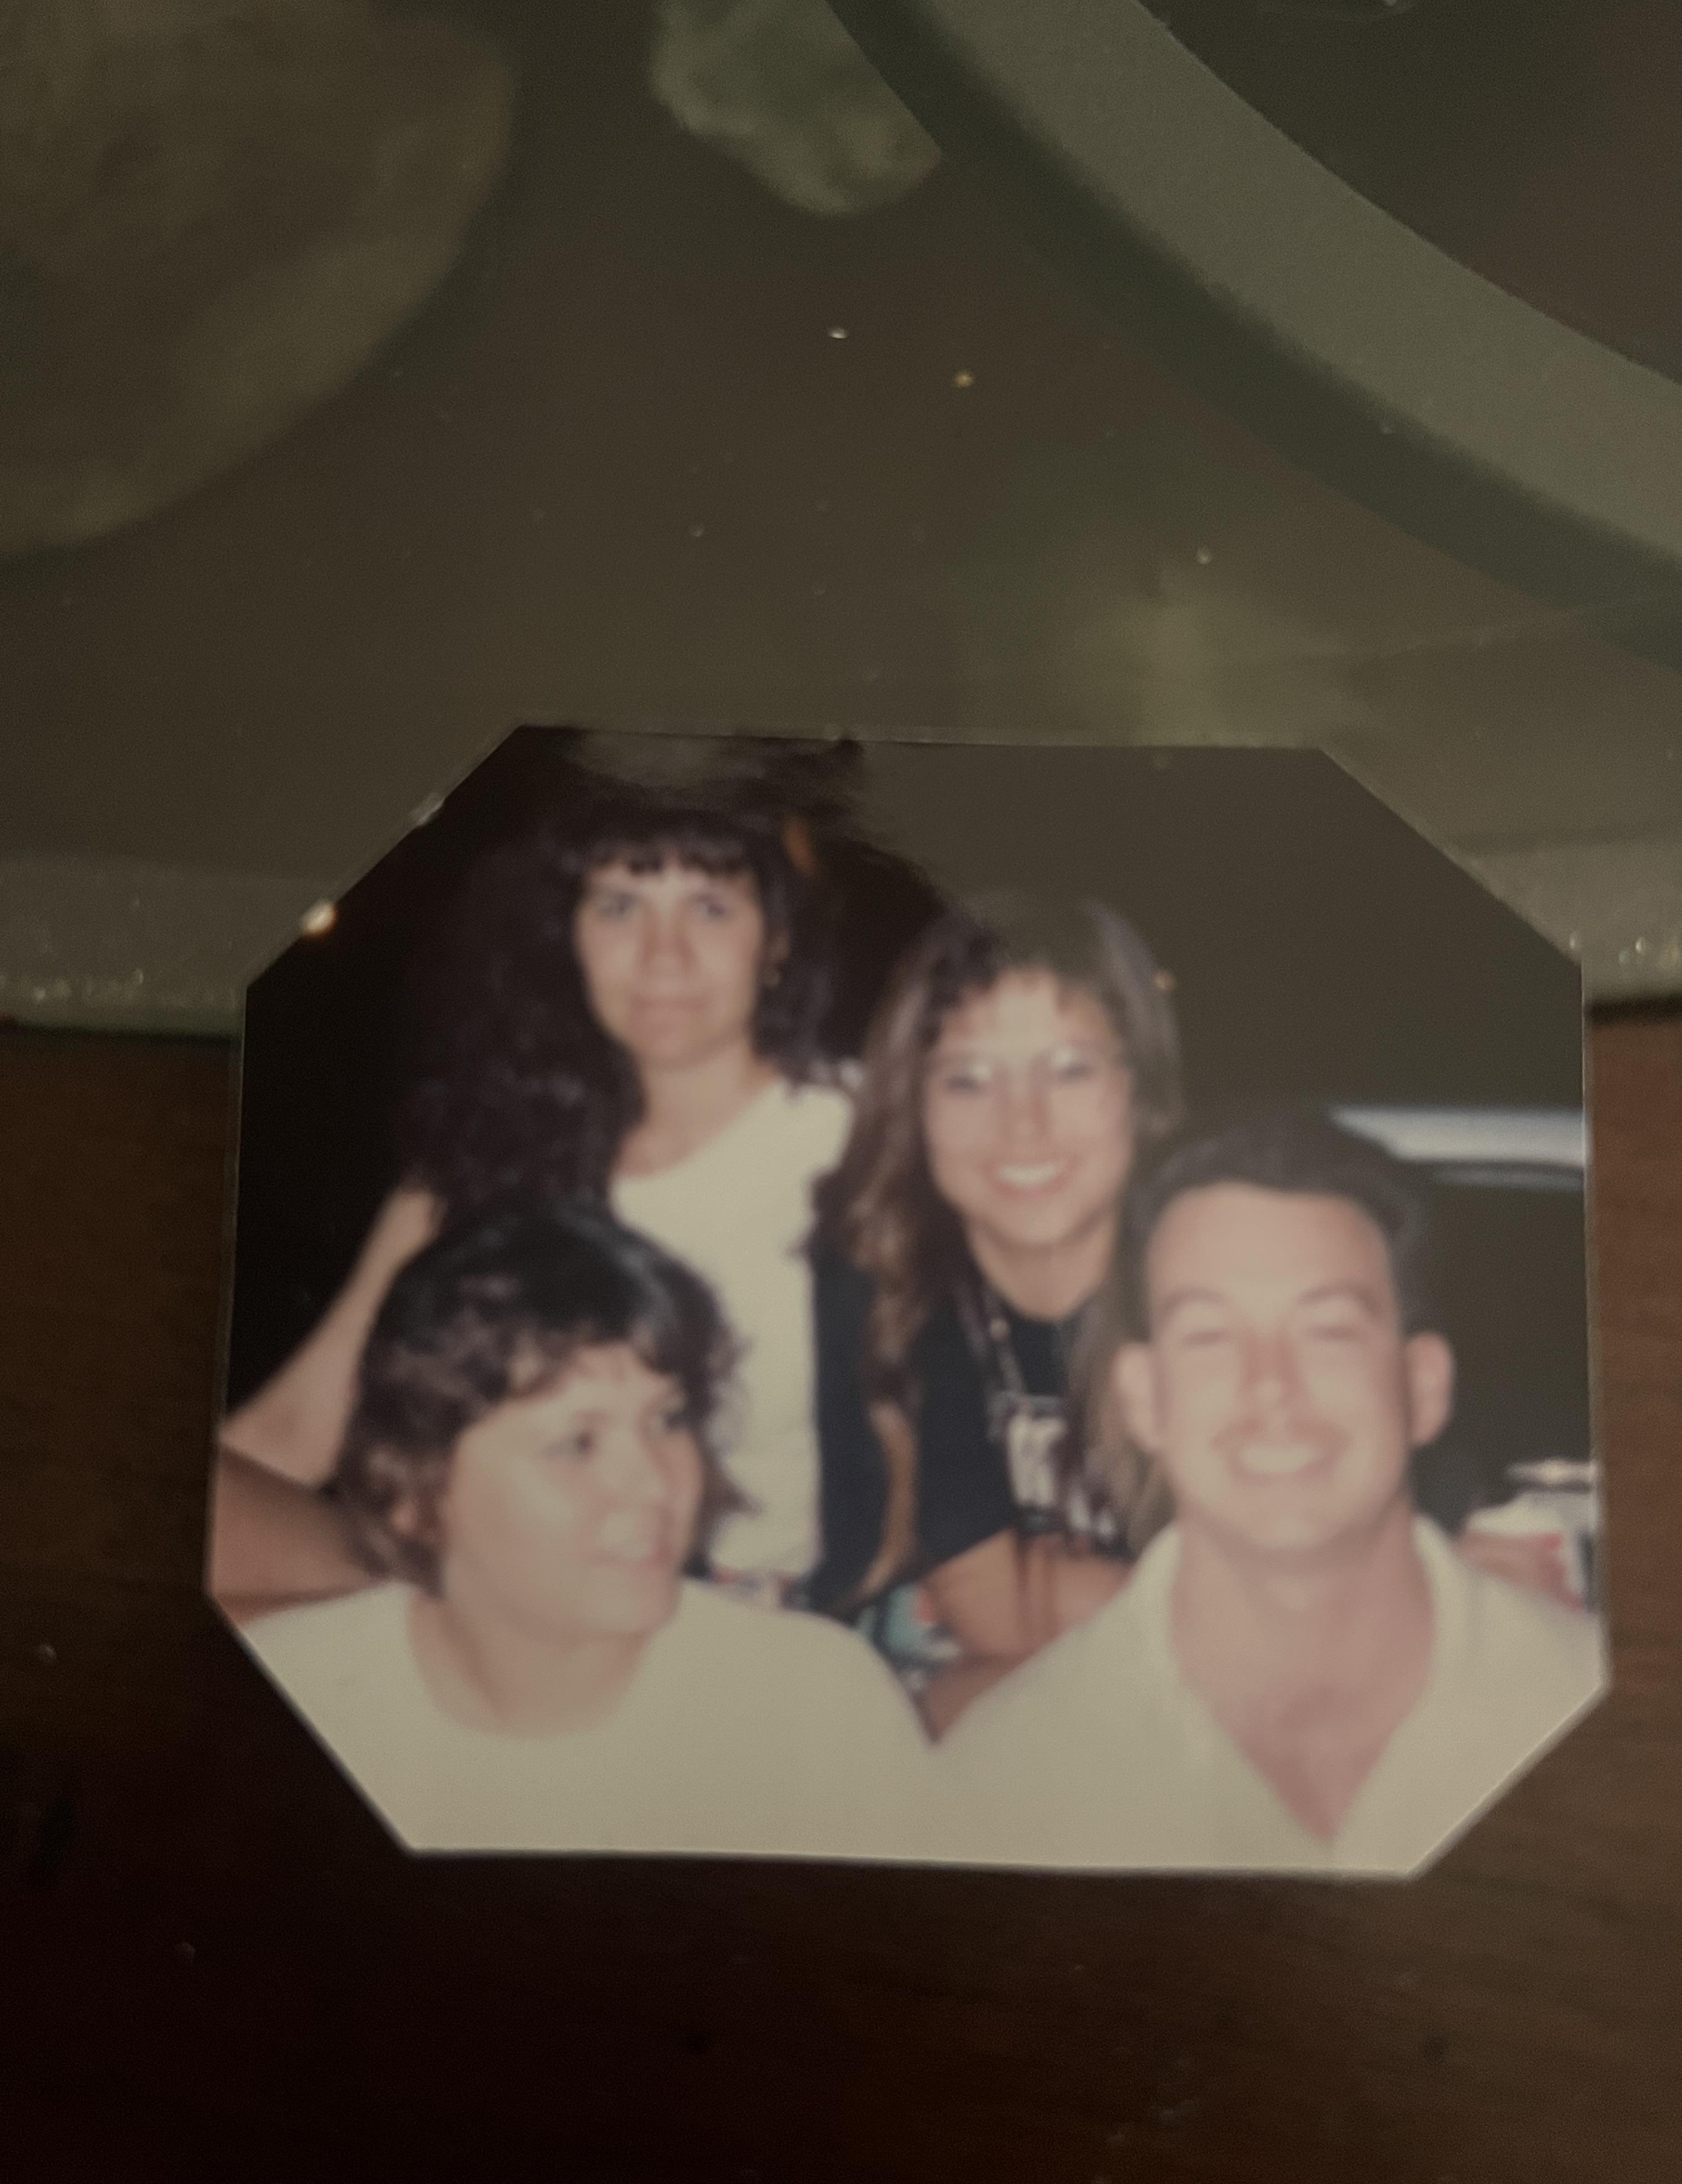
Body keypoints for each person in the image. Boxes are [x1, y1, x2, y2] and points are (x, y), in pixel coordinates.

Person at [215, 771, 853, 1609]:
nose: (664, 955)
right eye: (620, 906)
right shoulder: (487, 1155)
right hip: (492, 1593)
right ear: (569, 938)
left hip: (747, 1610)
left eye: (710, 907)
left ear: (777, 943)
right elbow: (294, 1433)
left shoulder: (863, 1139)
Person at [931, 1112, 1605, 1874]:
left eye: (1328, 1332)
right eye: (1211, 1337)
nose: (1271, 1389)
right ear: (1144, 1399)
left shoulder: (1594, 1706)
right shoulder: (1006, 1784)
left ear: (1422, 1387)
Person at [241, 1202, 928, 1856]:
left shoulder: (815, 1711)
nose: (656, 1484)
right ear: (416, 1491)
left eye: (667, 1420)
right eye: (576, 1444)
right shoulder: (292, 1701)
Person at [807, 895, 1185, 1732]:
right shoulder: (881, 1299)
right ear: (915, 1106)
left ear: (1142, 1089)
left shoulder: (1216, 1283)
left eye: (1071, 1069)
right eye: (970, 1078)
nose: (1023, 1122)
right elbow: (1000, 1616)